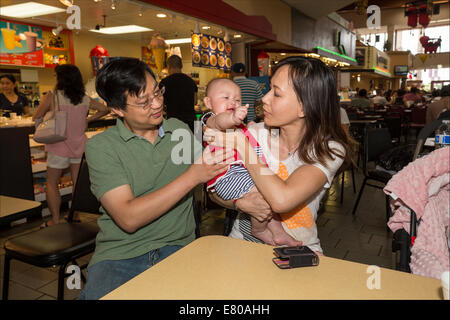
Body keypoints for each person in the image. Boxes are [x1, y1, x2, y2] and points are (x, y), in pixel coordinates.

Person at [78, 58, 233, 300]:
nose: (157, 103)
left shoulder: (178, 129)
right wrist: (192, 176)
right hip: (121, 254)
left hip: (179, 247)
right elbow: (128, 218)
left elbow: (213, 181)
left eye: (158, 92)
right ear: (117, 109)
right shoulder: (101, 147)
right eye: (144, 102)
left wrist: (244, 203)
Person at [205, 56, 355, 253]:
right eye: (269, 90)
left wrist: (243, 146)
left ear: (303, 106)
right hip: (241, 244)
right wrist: (240, 203)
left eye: (276, 93)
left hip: (296, 251)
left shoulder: (329, 150)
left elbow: (281, 200)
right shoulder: (253, 132)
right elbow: (213, 190)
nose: (264, 98)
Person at [201, 78, 301, 246]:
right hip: (227, 176)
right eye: (225, 98)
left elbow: (245, 135)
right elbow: (221, 121)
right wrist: (233, 117)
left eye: (237, 99)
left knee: (265, 196)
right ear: (208, 102)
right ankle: (259, 230)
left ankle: (278, 232)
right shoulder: (210, 119)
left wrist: (249, 126)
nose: (232, 101)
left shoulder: (239, 126)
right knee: (265, 193)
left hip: (242, 174)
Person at [32, 64, 109, 228]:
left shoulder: (53, 96)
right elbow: (104, 109)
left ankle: (54, 219)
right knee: (78, 183)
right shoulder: (84, 98)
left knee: (52, 183)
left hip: (58, 146)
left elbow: (36, 115)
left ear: (61, 78)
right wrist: (87, 120)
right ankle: (75, 215)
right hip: (79, 146)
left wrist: (47, 117)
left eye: (56, 76)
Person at [160, 54, 198, 132]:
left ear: (168, 66)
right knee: (192, 144)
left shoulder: (164, 82)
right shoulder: (191, 81)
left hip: (173, 123)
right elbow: (195, 101)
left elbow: (160, 102)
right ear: (181, 66)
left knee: (176, 144)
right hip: (191, 123)